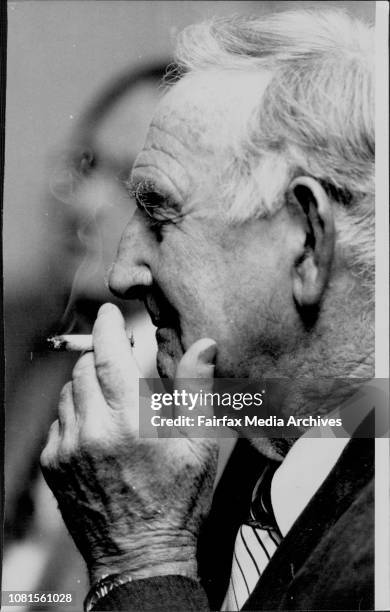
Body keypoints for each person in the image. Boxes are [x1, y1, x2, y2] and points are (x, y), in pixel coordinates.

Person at [40, 9, 376, 611]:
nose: (121, 274)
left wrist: (143, 558)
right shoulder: (262, 445)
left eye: (160, 215)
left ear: (306, 242)